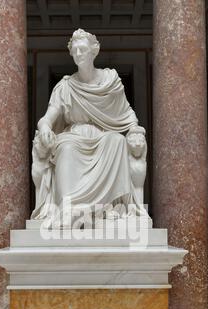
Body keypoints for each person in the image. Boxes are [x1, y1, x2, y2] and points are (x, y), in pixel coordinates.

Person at [31, 29, 148, 228]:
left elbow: (127, 114)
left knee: (118, 141)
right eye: (74, 50)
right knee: (65, 146)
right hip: (75, 136)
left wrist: (135, 131)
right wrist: (44, 128)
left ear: (94, 51)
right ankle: (68, 208)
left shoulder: (110, 81)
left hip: (103, 136)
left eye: (82, 49)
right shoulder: (65, 86)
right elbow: (47, 118)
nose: (78, 54)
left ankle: (106, 207)